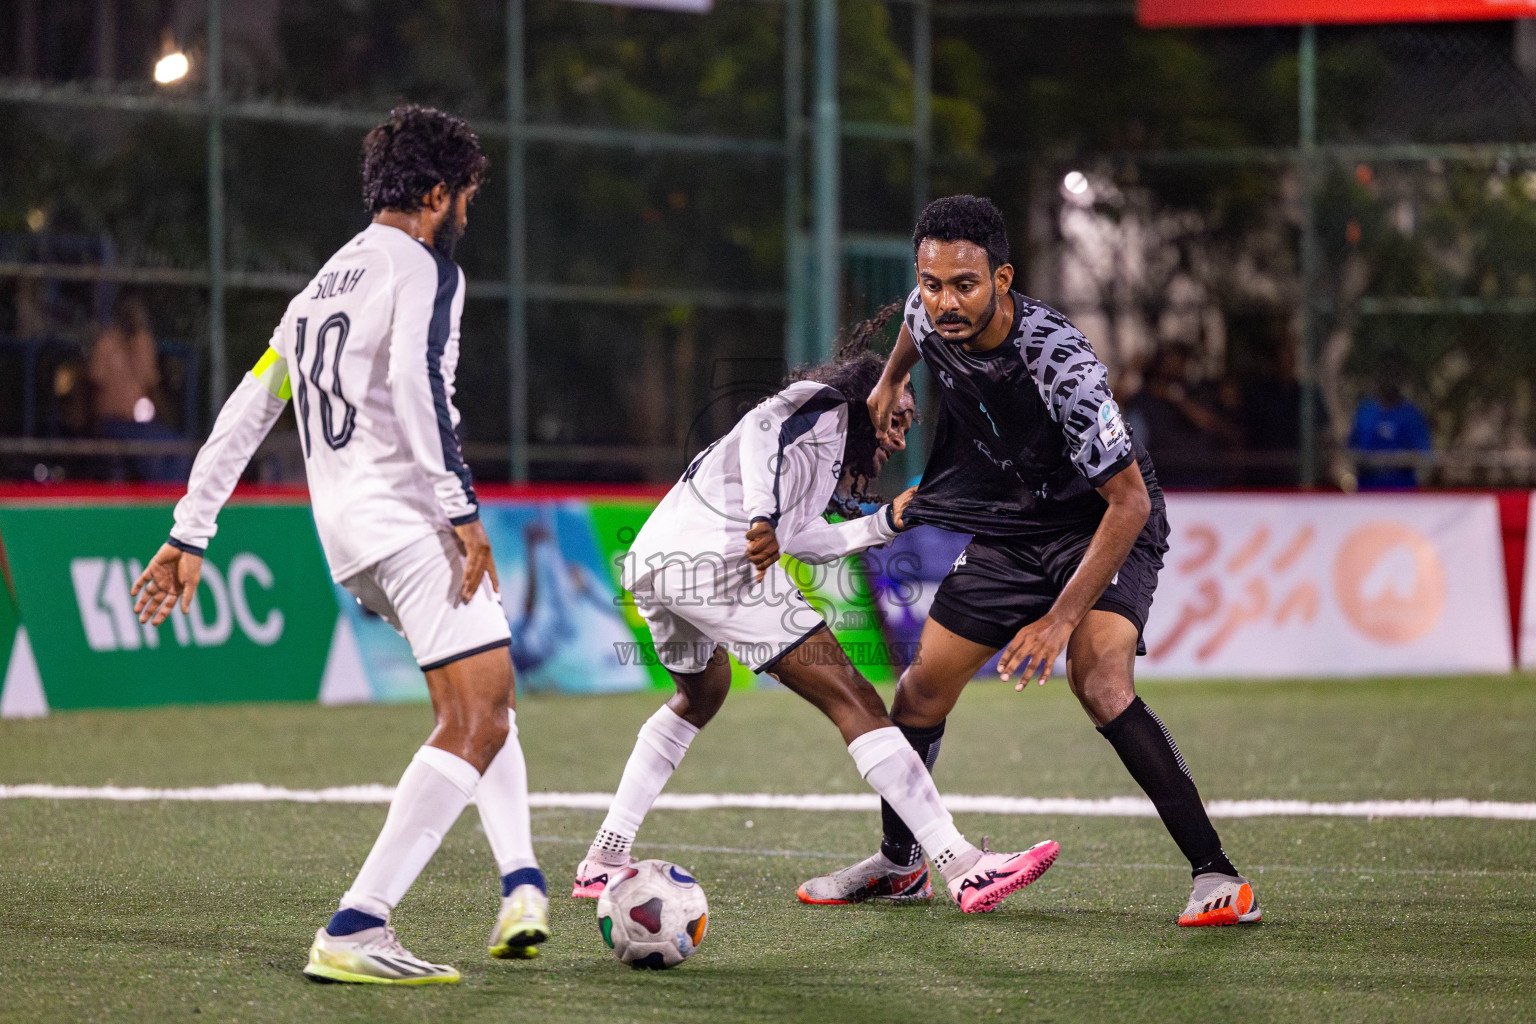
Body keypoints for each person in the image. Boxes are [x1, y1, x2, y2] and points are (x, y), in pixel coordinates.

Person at [130, 106, 549, 985]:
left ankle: (523, 883)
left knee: (483, 697)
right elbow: (417, 384)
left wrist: (188, 529)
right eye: (463, 195)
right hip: (407, 518)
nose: (464, 211)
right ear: (438, 194)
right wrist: (461, 509)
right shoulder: (425, 268)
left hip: (347, 536)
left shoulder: (325, 281)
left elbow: (253, 406)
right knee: (477, 714)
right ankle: (358, 925)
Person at [799, 195, 1261, 928]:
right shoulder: (930, 315)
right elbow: (913, 336)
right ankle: (900, 865)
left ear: (1003, 278)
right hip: (1014, 522)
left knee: (1100, 679)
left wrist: (1059, 618)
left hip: (1101, 522)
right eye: (930, 282)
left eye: (965, 285)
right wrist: (889, 382)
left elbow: (1130, 503)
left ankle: (1218, 878)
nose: (944, 302)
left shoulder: (1062, 363)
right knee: (919, 693)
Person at [571, 313, 1059, 914]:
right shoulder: (822, 404)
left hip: (655, 563)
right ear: (872, 394)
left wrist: (885, 523)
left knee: (702, 694)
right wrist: (757, 517)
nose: (900, 436)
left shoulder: (818, 458)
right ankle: (960, 865)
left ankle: (604, 858)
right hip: (717, 566)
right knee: (856, 701)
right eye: (899, 416)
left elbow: (801, 540)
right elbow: (756, 428)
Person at [89, 293, 187, 482]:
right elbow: (93, 384)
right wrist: (91, 423)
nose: (133, 316)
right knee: (150, 457)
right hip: (112, 422)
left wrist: (165, 416)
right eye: (128, 312)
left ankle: (167, 505)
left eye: (136, 312)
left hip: (141, 423)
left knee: (177, 449)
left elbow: (151, 385)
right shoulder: (106, 341)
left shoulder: (143, 340)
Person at [1348, 360, 1431, 489]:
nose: (1388, 382)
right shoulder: (1366, 411)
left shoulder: (1411, 415)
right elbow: (1351, 449)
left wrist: (1396, 460)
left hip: (1402, 488)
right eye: (1384, 376)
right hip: (1367, 487)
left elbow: (1424, 456)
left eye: (1394, 376)